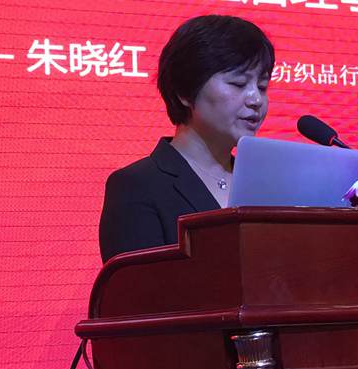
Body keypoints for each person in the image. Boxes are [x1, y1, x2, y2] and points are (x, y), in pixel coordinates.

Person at [99, 15, 275, 262]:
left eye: (263, 86)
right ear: (185, 91)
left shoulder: (266, 184)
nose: (256, 99)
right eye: (238, 83)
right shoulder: (137, 186)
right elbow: (137, 286)